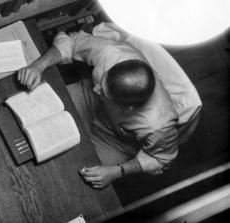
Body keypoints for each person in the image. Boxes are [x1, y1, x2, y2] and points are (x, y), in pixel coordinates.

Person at [18, 22, 201, 189]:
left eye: (105, 93)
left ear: (129, 108)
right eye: (103, 82)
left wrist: (117, 172)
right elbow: (73, 42)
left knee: (70, 177)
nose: (98, 88)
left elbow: (159, 159)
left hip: (115, 141)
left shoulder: (158, 124)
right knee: (31, 111)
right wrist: (38, 66)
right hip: (88, 100)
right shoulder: (112, 54)